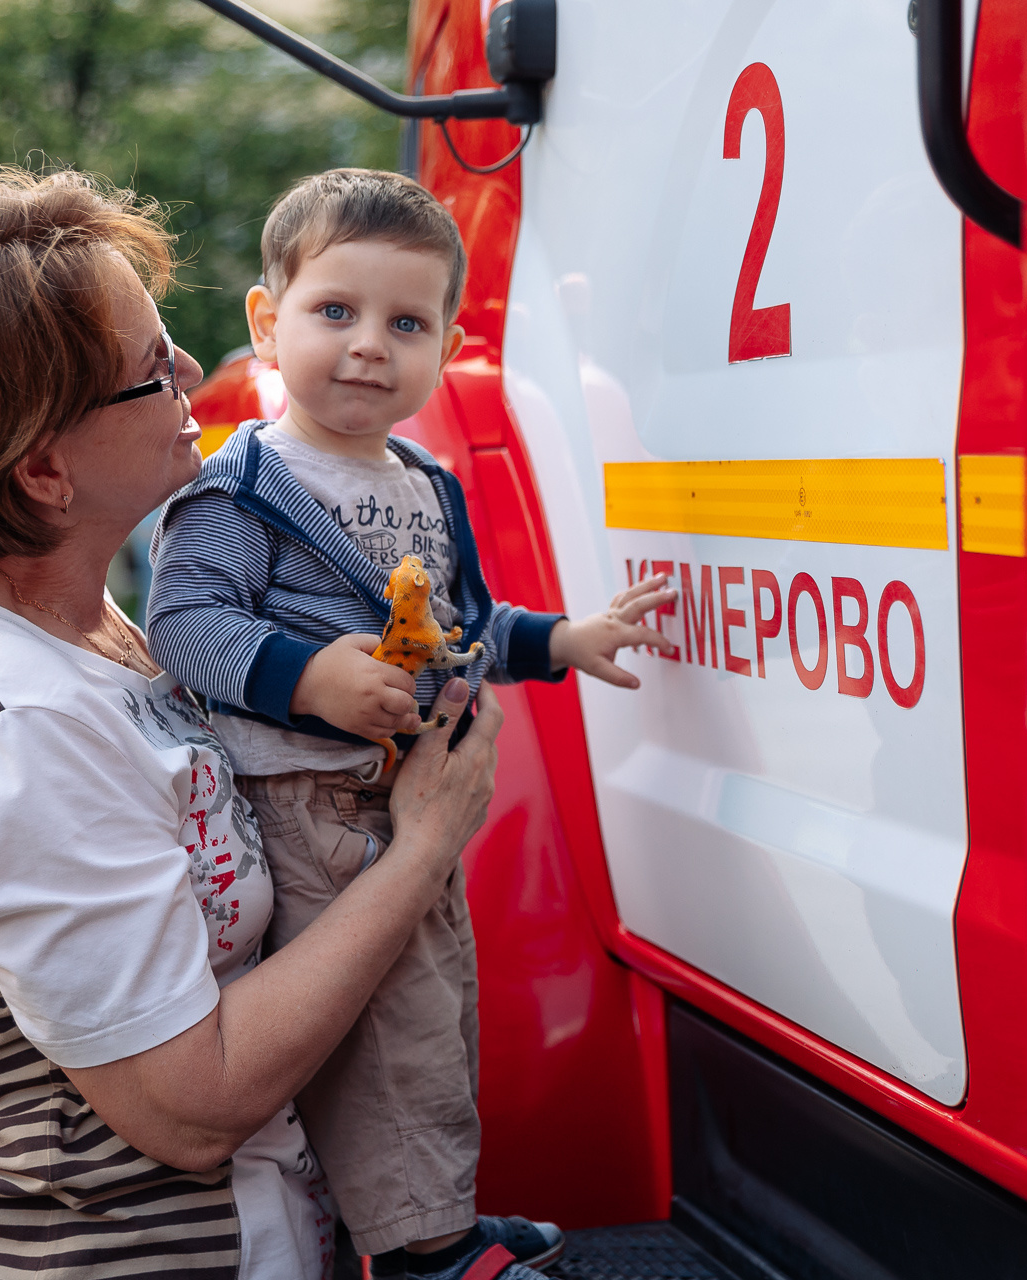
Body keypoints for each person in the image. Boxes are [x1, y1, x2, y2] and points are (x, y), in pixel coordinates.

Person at [0, 166, 506, 1280]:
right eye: (146, 371)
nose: (187, 370)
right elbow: (193, 1103)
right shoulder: (11, 737)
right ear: (41, 471)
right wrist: (420, 848)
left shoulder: (38, 593)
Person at [146, 169, 675, 1280]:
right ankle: (428, 1251)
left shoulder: (427, 481)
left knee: (435, 1017)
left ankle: (434, 1218)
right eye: (334, 311)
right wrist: (308, 679)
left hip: (395, 802)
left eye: (406, 321)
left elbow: (462, 625)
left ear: (448, 337)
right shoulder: (244, 484)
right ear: (266, 319)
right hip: (305, 799)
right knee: (392, 1029)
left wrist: (560, 640)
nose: (369, 345)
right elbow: (186, 622)